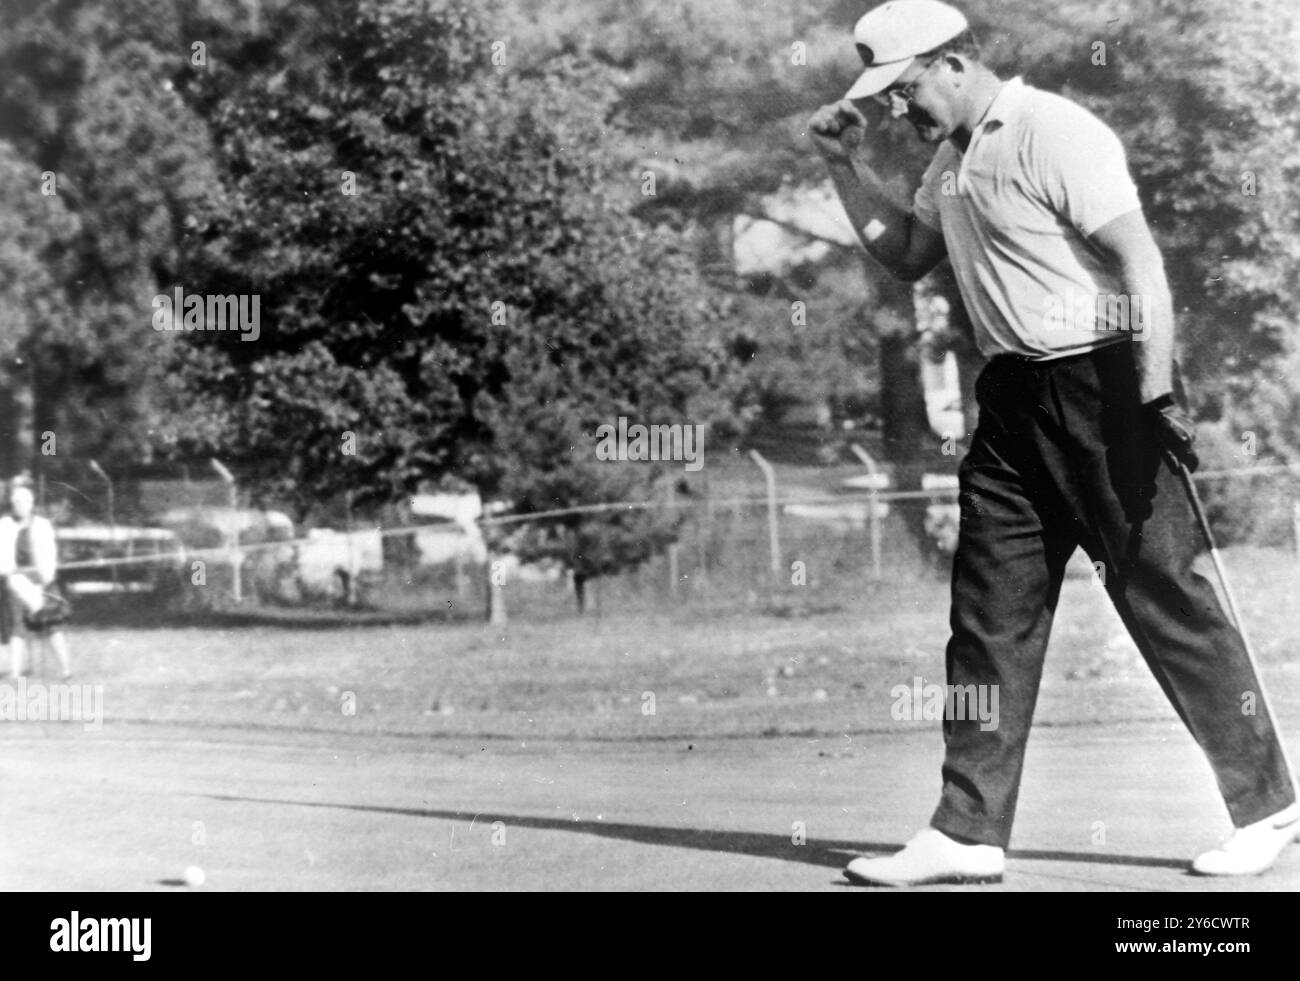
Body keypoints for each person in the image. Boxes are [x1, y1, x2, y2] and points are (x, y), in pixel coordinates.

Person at [809, 0, 1297, 884]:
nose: (897, 111)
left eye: (906, 90)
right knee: (986, 617)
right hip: (1010, 397)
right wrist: (843, 164)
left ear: (953, 64)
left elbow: (1139, 261)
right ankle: (966, 828)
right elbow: (910, 254)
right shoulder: (951, 161)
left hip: (1104, 383)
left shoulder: (1051, 130)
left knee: (1166, 600)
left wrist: (1151, 391)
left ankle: (1269, 806)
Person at [0, 477, 72, 680]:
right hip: (16, 580)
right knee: (18, 626)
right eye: (16, 502)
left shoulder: (42, 525)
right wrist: (10, 574)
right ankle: (15, 673)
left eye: (24, 502)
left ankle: (66, 670)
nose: (20, 506)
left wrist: (44, 577)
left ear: (31, 504)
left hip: (43, 580)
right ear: (12, 504)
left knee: (52, 625)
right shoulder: (4, 526)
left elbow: (50, 554)